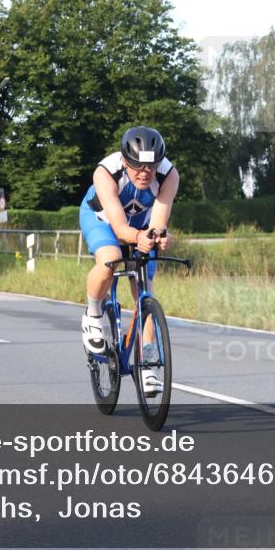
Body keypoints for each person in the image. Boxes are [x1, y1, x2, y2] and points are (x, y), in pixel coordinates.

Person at [79, 126, 178, 396]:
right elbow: (120, 228)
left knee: (144, 287)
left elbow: (158, 221)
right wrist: (137, 237)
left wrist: (159, 237)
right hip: (103, 221)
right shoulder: (105, 172)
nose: (145, 172)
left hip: (139, 225)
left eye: (151, 166)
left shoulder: (169, 176)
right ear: (124, 160)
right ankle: (93, 314)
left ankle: (147, 364)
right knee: (110, 259)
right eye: (137, 166)